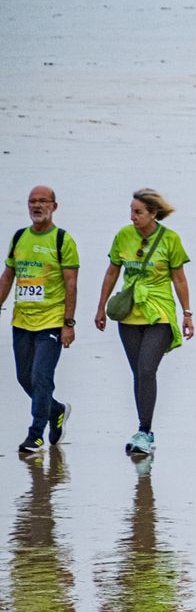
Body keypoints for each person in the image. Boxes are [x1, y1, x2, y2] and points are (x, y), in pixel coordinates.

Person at [93, 189, 193, 457]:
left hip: (159, 311)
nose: (132, 216)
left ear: (153, 213)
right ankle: (143, 431)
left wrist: (187, 313)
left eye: (138, 212)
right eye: (131, 210)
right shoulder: (123, 236)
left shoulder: (171, 239)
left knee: (147, 368)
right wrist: (101, 307)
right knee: (139, 373)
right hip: (128, 314)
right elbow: (112, 271)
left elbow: (180, 279)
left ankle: (145, 431)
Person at [1, 186, 78, 454]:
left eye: (43, 201)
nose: (37, 206)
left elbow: (71, 283)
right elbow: (8, 275)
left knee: (41, 377)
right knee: (25, 378)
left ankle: (35, 435)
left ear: (54, 207)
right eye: (32, 202)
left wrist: (68, 324)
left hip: (51, 322)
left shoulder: (62, 240)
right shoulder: (19, 237)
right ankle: (56, 410)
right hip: (22, 321)